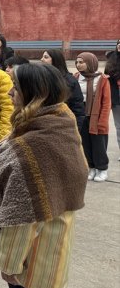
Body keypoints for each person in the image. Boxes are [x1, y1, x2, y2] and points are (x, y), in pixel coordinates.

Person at [0, 63, 87, 288]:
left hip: (32, 261)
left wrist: (10, 265)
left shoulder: (35, 147)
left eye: (16, 88)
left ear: (35, 94)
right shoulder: (58, 119)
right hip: (52, 244)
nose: (10, 93)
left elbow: (23, 216)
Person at [75, 52, 111, 182]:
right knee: (85, 144)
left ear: (90, 62)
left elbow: (106, 103)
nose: (78, 65)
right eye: (77, 62)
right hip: (81, 114)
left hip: (96, 115)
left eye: (81, 62)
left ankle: (102, 169)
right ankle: (91, 167)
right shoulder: (76, 77)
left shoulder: (102, 79)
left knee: (99, 144)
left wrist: (103, 120)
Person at [40, 50, 85, 129]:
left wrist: (76, 129)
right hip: (42, 125)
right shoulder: (40, 79)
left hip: (63, 126)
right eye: (42, 57)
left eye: (46, 57)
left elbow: (78, 109)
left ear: (55, 60)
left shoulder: (70, 81)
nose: (42, 59)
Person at [106, 40, 120, 159]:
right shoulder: (112, 59)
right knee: (119, 126)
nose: (119, 45)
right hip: (116, 97)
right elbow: (107, 77)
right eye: (118, 43)